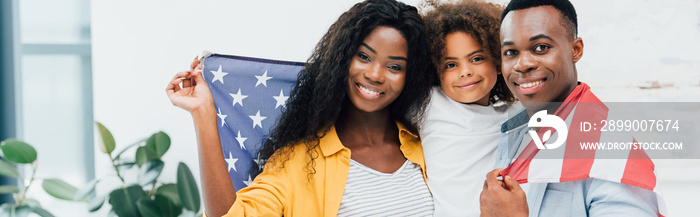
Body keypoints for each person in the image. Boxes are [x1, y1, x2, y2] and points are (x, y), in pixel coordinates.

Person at [166, 0, 436, 216]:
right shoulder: (299, 163)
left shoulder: (427, 143)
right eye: (364, 57)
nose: (376, 74)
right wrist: (203, 114)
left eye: (394, 66)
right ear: (342, 58)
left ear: (409, 76)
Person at [479, 0, 659, 216]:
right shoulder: (511, 133)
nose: (522, 64)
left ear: (576, 50)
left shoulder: (611, 152)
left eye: (541, 48)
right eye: (510, 52)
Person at [419, 1, 519, 216]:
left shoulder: (515, 117)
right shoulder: (429, 104)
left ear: (498, 61)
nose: (465, 72)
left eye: (477, 58)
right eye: (451, 65)